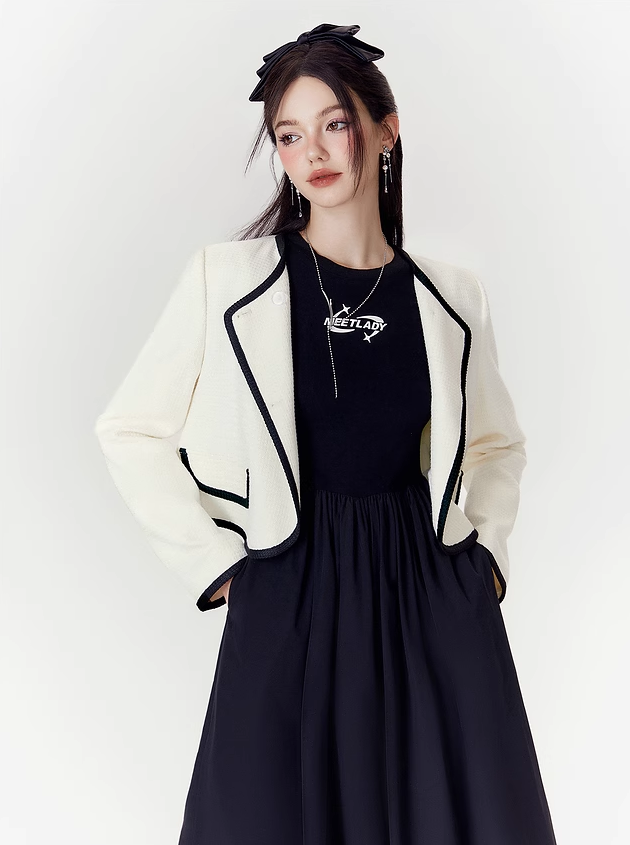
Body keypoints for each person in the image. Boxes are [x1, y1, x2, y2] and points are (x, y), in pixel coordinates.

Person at [94, 23, 558, 845]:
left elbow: (497, 444)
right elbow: (129, 429)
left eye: (334, 123)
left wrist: (482, 558)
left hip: (429, 594)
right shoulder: (225, 280)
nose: (312, 151)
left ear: (386, 129)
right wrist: (223, 568)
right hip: (290, 585)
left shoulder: (452, 297)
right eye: (288, 134)